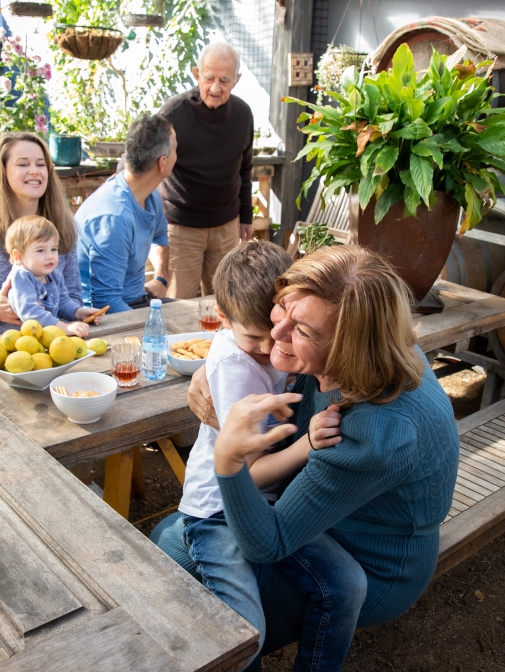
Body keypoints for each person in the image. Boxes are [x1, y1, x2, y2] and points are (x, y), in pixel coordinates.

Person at [151, 245, 460, 671]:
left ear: (350, 347)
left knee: (171, 551)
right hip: (318, 511)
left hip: (373, 560)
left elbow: (267, 543)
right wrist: (219, 366)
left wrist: (228, 462)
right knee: (172, 535)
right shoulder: (375, 349)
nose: (275, 337)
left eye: (303, 331)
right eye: (282, 310)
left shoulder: (373, 432)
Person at [175, 241, 341, 666]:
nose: (272, 349)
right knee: (247, 630)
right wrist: (307, 445)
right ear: (223, 319)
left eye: (277, 329)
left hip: (268, 508)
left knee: (344, 584)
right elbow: (245, 476)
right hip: (219, 512)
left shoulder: (259, 342)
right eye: (254, 338)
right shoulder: (237, 370)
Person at [0, 132, 100, 337]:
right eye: (23, 164)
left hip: (41, 341)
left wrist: (76, 312)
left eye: (41, 164)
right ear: (2, 172)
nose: (34, 171)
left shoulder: (60, 225)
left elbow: (70, 294)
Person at [159, 41, 254, 299]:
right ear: (196, 74)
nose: (215, 88)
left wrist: (246, 215)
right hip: (181, 227)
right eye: (209, 78)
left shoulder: (244, 114)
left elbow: (245, 168)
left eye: (224, 80)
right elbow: (147, 160)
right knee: (180, 303)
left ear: (237, 80)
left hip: (226, 225)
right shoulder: (174, 113)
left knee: (224, 302)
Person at [76, 113, 176, 313]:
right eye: (176, 150)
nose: (178, 157)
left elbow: (158, 235)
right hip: (100, 317)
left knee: (199, 316)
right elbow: (105, 302)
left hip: (137, 300)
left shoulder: (149, 195)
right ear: (162, 162)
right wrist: (152, 328)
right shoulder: (114, 217)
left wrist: (161, 278)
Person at [0, 215, 91, 338]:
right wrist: (63, 327)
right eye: (41, 250)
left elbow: (62, 301)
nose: (50, 256)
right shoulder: (20, 277)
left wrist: (78, 312)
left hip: (44, 338)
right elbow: (30, 312)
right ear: (18, 256)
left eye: (53, 249)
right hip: (16, 343)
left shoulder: (54, 275)